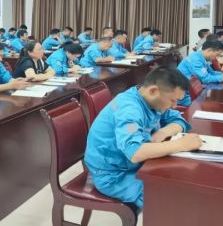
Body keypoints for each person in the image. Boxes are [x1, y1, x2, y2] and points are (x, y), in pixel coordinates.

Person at [84, 66, 201, 210]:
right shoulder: (129, 111)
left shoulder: (151, 101)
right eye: (173, 100)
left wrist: (164, 131)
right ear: (153, 91)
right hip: (113, 175)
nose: (174, 106)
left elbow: (178, 120)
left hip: (135, 164)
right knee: (168, 199)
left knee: (182, 179)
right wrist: (181, 144)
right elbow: (135, 151)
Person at [178, 41, 223, 105]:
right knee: (216, 105)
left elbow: (212, 72)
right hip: (185, 96)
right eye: (217, 55)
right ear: (209, 50)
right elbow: (205, 79)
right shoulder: (195, 59)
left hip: (196, 91)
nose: (216, 58)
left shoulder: (202, 58)